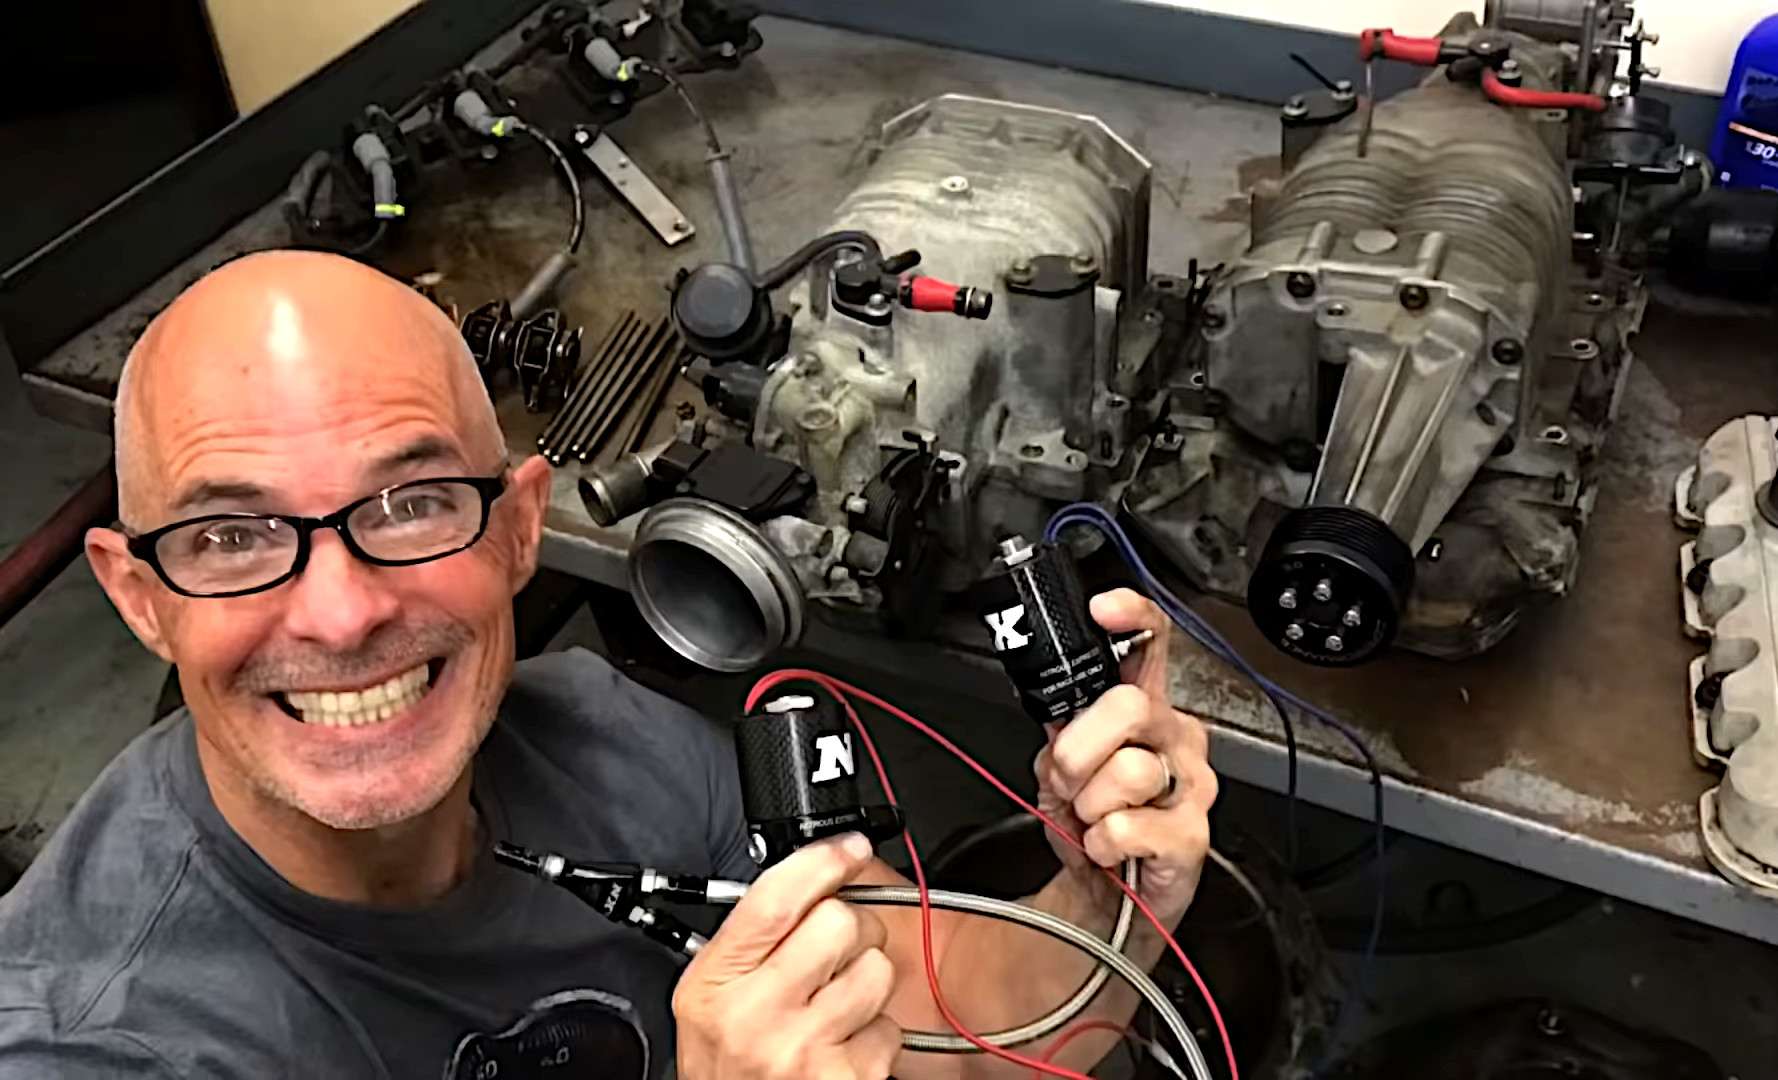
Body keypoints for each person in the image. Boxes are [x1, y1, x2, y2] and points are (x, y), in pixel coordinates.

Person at [0, 250, 1218, 1079]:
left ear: (522, 529)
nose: (340, 612)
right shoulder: (93, 1040)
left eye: (413, 504)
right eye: (230, 535)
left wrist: (1108, 898)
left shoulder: (612, 748)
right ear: (137, 596)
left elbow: (946, 1032)